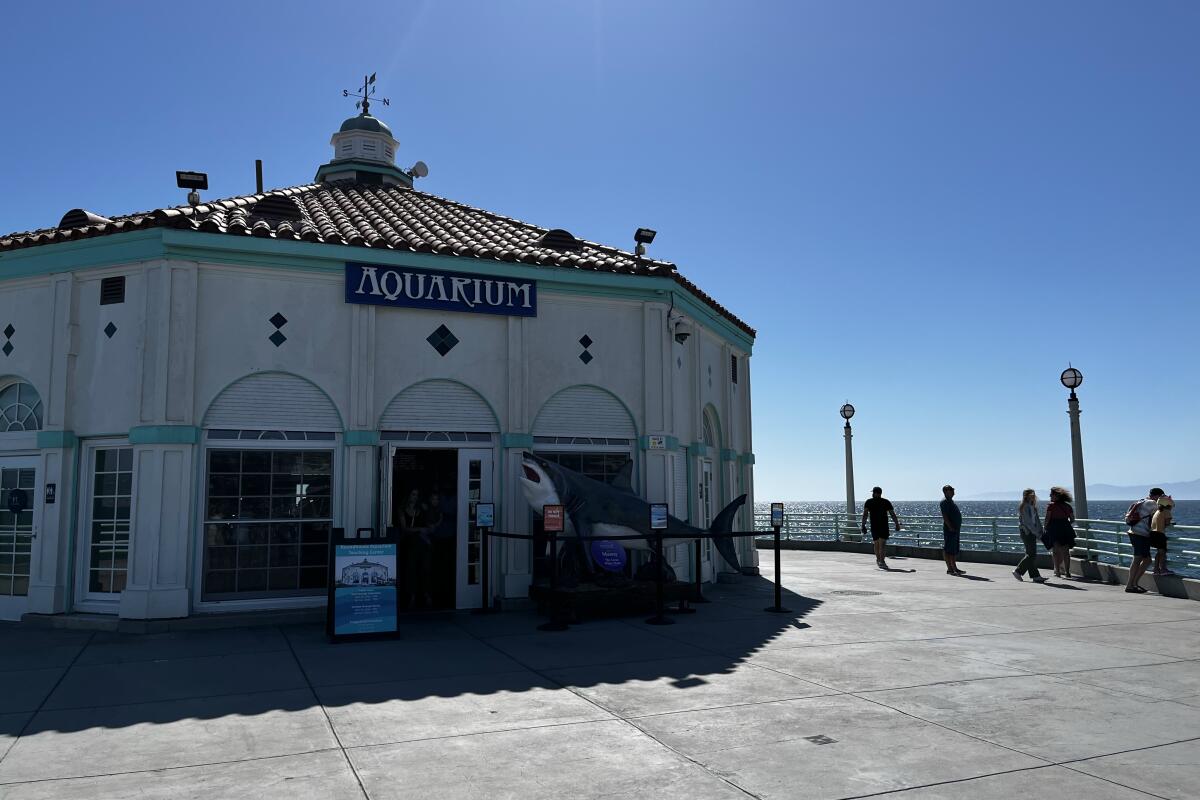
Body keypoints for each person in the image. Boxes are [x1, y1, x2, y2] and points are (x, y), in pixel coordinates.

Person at [1125, 488, 1163, 593]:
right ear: (1157, 496)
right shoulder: (1153, 503)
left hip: (1133, 531)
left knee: (1146, 560)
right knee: (1138, 558)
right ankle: (1130, 585)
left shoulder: (1140, 501)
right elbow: (1158, 517)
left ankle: (1134, 584)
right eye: (1160, 497)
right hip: (1141, 534)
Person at [861, 486, 901, 569]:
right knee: (881, 544)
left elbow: (865, 514)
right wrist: (897, 524)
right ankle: (881, 561)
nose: (872, 494)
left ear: (876, 493)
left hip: (875, 526)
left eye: (873, 492)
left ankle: (879, 560)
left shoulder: (869, 502)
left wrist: (863, 525)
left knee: (877, 543)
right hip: (883, 526)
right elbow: (892, 514)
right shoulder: (886, 502)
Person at [1013, 489, 1048, 583]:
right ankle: (1018, 571)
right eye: (1031, 494)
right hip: (1027, 532)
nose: (1033, 496)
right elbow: (1028, 523)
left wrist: (1040, 531)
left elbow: (1036, 521)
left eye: (1034, 494)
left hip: (1032, 532)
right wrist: (1036, 533)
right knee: (1031, 554)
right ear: (1026, 496)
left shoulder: (1032, 506)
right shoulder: (1024, 506)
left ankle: (1035, 576)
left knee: (1030, 553)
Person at [1045, 487, 1076, 579]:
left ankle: (1057, 571)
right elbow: (1072, 519)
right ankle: (1067, 572)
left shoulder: (1051, 506)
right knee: (1066, 552)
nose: (1050, 496)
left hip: (1054, 528)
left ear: (1056, 496)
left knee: (1055, 551)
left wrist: (1045, 527)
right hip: (1066, 528)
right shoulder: (1068, 506)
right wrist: (1065, 524)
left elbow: (1047, 518)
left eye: (1051, 494)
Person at [939, 485, 964, 575]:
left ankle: (954, 568)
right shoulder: (944, 502)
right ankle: (950, 568)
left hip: (955, 529)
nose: (953, 491)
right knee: (948, 549)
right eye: (951, 489)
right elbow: (945, 516)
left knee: (953, 549)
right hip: (950, 529)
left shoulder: (950, 501)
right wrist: (950, 527)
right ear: (946, 491)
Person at [1150, 495, 1175, 577]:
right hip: (1160, 534)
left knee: (1159, 552)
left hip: (1153, 534)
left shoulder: (1158, 511)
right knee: (1163, 553)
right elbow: (1167, 523)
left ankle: (1156, 569)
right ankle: (1163, 569)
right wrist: (1171, 522)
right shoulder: (1166, 511)